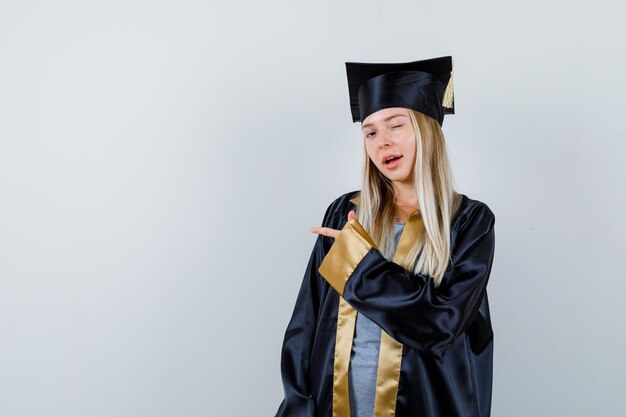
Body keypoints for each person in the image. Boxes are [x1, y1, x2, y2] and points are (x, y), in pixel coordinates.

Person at [274, 55, 496, 417]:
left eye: (396, 125)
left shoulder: (468, 222)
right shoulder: (345, 213)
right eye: (371, 132)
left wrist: (359, 265)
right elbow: (305, 324)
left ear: (427, 131)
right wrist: (299, 404)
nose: (382, 142)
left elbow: (439, 324)